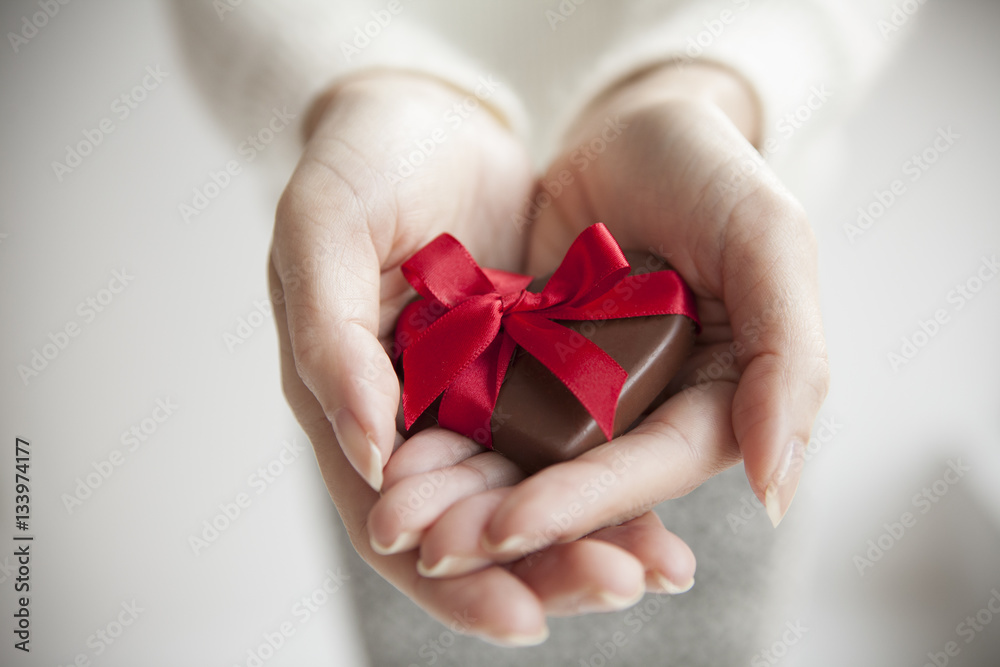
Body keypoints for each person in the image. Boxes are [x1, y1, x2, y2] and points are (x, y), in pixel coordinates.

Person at [173, 0, 900, 651]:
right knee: (428, 588)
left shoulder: (676, 304)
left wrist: (705, 86)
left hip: (715, 333)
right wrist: (366, 88)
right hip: (382, 316)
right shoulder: (423, 327)